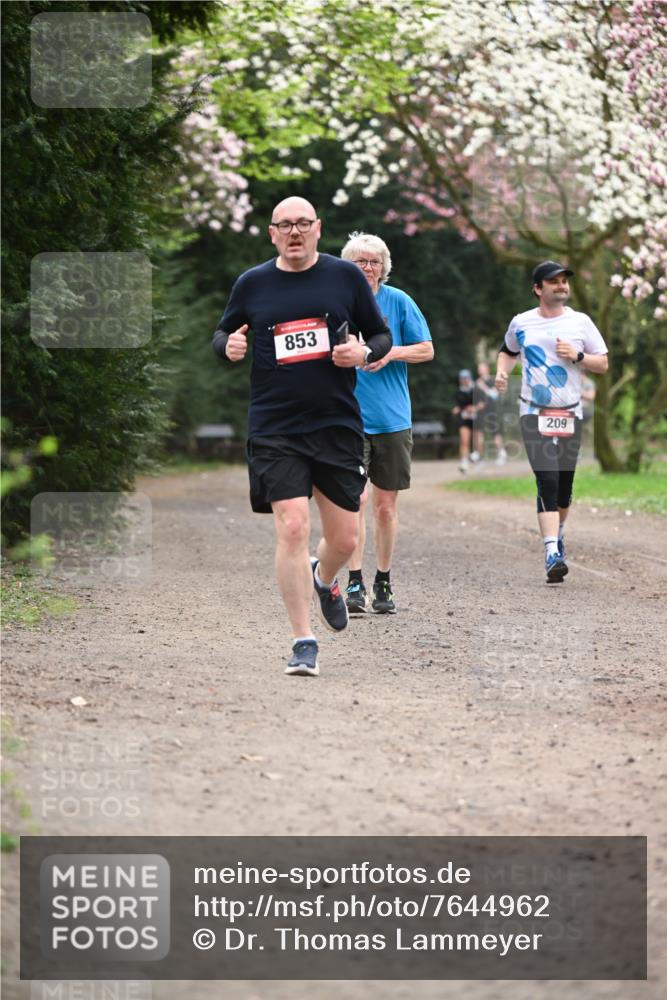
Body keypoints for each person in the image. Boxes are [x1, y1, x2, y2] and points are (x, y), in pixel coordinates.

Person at [212, 197, 391, 676]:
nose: (294, 232)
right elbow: (222, 332)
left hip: (336, 424)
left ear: (318, 229)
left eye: (303, 224)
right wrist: (227, 345)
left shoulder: (345, 277)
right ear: (272, 233)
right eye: (285, 225)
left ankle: (324, 576)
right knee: (292, 526)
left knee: (346, 537)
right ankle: (303, 641)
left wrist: (362, 351)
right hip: (275, 426)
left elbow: (381, 336)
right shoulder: (253, 283)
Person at [495, 260, 608, 582]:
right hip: (534, 411)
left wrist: (579, 355)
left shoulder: (581, 323)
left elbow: (603, 364)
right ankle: (551, 551)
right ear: (537, 289)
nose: (561, 285)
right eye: (553, 281)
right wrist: (503, 372)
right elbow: (507, 350)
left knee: (564, 489)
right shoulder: (522, 322)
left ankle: (558, 534)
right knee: (547, 479)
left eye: (563, 281)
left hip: (570, 411)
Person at [340, 232, 433, 615]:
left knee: (384, 506)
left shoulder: (399, 302)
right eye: (359, 262)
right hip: (348, 417)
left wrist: (388, 352)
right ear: (347, 267)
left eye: (373, 261)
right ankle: (355, 581)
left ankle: (383, 580)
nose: (367, 268)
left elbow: (426, 350)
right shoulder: (337, 304)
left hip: (392, 418)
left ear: (384, 267)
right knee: (354, 500)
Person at [472, 361, 507, 466]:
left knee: (495, 433)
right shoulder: (477, 382)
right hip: (480, 413)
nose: (480, 370)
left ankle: (501, 454)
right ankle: (479, 456)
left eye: (482, 368)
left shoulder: (493, 380)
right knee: (479, 434)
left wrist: (484, 387)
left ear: (487, 369)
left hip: (492, 411)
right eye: (479, 368)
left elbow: (494, 395)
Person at [452, 369, 480, 473]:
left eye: (466, 378)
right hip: (464, 419)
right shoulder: (459, 392)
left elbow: (483, 403)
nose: (464, 380)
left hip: (476, 419)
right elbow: (458, 406)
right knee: (464, 441)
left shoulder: (477, 389)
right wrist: (457, 409)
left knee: (478, 439)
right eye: (462, 379)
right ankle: (464, 462)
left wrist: (474, 408)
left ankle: (477, 456)